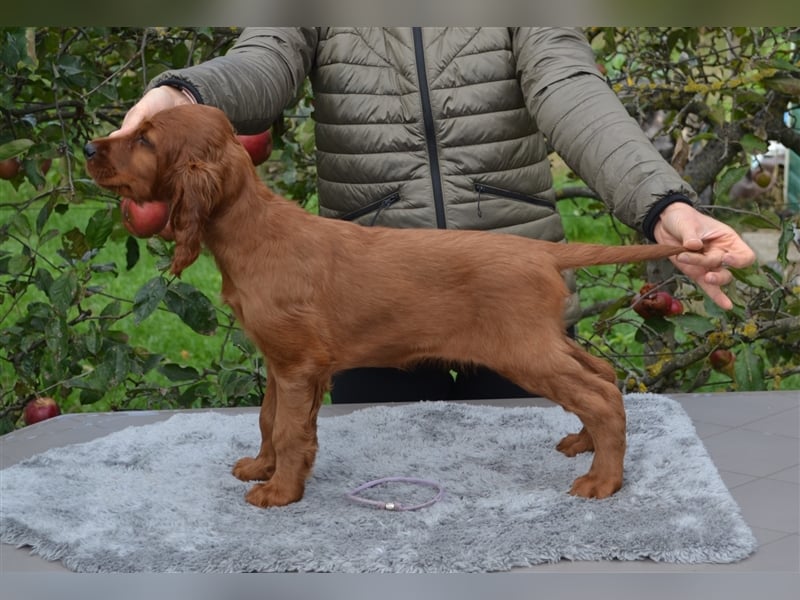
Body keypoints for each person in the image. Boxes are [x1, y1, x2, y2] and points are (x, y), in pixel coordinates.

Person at [114, 27, 756, 403]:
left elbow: (566, 84)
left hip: (502, 276)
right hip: (365, 294)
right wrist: (185, 93)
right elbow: (266, 60)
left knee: (538, 526)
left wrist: (662, 203)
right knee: (380, 525)